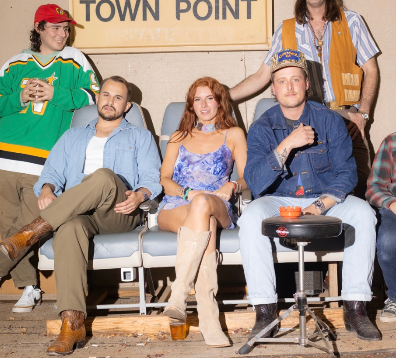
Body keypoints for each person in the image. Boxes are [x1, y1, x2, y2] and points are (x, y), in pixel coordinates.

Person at [0, 76, 161, 355]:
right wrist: (46, 189)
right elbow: (50, 175)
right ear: (97, 98)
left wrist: (140, 195)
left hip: (119, 211)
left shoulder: (139, 136)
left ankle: (31, 232)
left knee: (103, 176)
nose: (110, 101)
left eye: (118, 97)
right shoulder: (71, 136)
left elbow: (152, 179)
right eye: (106, 95)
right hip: (80, 213)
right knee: (70, 226)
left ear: (127, 106)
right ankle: (72, 324)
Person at [238, 49, 380, 344]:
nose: (289, 87)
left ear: (307, 84)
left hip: (324, 198)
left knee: (364, 213)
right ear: (273, 88)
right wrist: (286, 145)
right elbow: (255, 182)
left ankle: (355, 308)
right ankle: (264, 312)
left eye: (295, 79)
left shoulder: (330, 120)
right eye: (281, 81)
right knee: (250, 217)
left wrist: (320, 205)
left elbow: (347, 173)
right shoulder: (262, 126)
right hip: (280, 199)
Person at [0, 4, 99, 312]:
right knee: (9, 227)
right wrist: (19, 97)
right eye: (56, 27)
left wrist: (55, 94)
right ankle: (29, 286)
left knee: (29, 229)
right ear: (39, 28)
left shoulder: (74, 59)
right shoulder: (15, 63)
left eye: (66, 28)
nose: (63, 33)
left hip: (45, 161)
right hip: (3, 156)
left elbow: (94, 98)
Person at [229, 0, 379, 199]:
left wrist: (363, 114)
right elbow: (261, 76)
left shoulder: (352, 22)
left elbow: (371, 70)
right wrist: (222, 96)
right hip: (306, 123)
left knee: (356, 193)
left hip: (347, 121)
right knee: (302, 193)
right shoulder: (286, 29)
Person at [158, 77, 247, 347]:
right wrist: (188, 193)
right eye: (198, 99)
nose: (204, 105)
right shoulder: (179, 136)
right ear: (191, 105)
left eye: (210, 98)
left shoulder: (234, 134)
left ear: (220, 102)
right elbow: (164, 180)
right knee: (203, 219)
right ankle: (209, 319)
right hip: (176, 204)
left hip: (218, 203)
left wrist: (233, 184)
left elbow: (247, 179)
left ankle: (178, 295)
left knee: (203, 206)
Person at [366, 133, 396, 322]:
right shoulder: (392, 142)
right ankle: (395, 297)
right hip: (394, 206)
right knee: (387, 244)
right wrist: (392, 204)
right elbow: (374, 187)